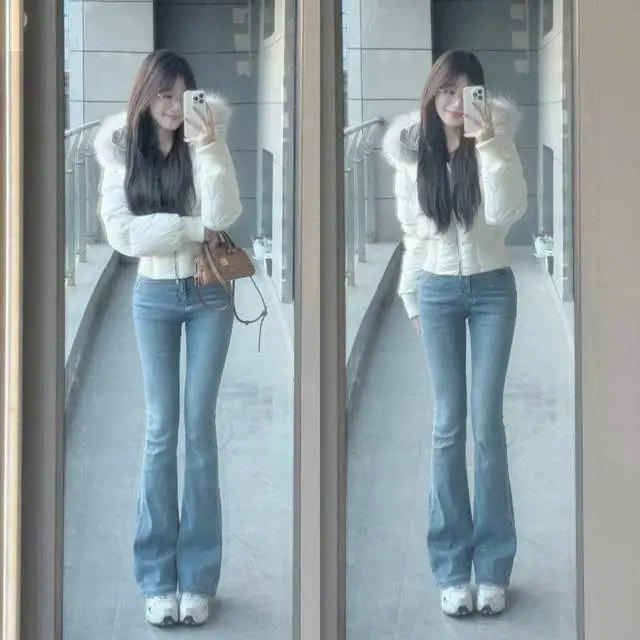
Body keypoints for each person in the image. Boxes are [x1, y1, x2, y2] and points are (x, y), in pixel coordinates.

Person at [93, 49, 243, 627]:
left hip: (210, 297)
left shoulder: (207, 141)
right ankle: (158, 578)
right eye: (164, 95)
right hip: (154, 297)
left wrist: (210, 148)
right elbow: (123, 234)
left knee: (199, 430)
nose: (174, 107)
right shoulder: (120, 151)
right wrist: (188, 227)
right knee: (161, 431)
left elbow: (224, 215)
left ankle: (198, 578)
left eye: (183, 96)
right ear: (145, 96)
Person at [382, 50, 527, 617]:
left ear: (480, 97)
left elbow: (508, 213)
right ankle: (450, 565)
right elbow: (412, 237)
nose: (455, 102)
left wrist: (489, 145)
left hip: (492, 290)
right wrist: (410, 298)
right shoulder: (411, 157)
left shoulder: (497, 142)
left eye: (468, 92)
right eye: (447, 90)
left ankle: (492, 566)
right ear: (432, 94)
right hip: (437, 292)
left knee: (486, 426)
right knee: (448, 426)